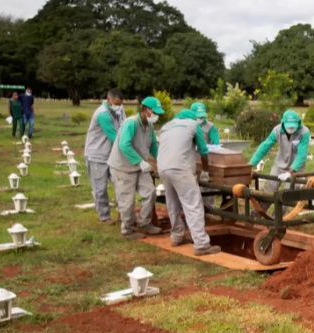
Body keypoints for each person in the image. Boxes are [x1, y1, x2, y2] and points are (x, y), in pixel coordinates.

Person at [157, 109, 221, 256]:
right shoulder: (193, 125)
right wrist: (205, 169)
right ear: (193, 118)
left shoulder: (167, 125)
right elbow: (204, 150)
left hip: (163, 167)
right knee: (193, 204)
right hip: (180, 168)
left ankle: (177, 236)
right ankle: (202, 244)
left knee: (172, 203)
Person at [107, 96, 164, 240]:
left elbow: (153, 146)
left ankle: (145, 223)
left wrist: (162, 161)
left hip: (139, 166)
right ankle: (128, 230)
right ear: (145, 109)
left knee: (150, 192)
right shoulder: (130, 123)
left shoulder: (149, 126)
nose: (157, 116)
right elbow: (124, 145)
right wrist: (140, 162)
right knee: (127, 199)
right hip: (122, 167)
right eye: (154, 112)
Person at [248, 109, 310, 213]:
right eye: (288, 125)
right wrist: (251, 164)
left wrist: (291, 171)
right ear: (283, 123)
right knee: (269, 190)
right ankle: (259, 212)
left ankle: (277, 218)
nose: (291, 128)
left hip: (296, 168)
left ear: (298, 123)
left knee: (287, 194)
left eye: (293, 125)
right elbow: (265, 146)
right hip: (279, 165)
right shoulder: (277, 130)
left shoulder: (304, 132)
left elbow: (301, 155)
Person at [84, 89, 125, 223]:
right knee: (100, 188)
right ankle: (104, 216)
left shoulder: (120, 110)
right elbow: (114, 136)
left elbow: (123, 129)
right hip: (97, 155)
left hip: (112, 154)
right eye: (116, 103)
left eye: (120, 104)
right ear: (109, 100)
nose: (119, 106)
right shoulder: (102, 114)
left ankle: (123, 214)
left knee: (120, 184)